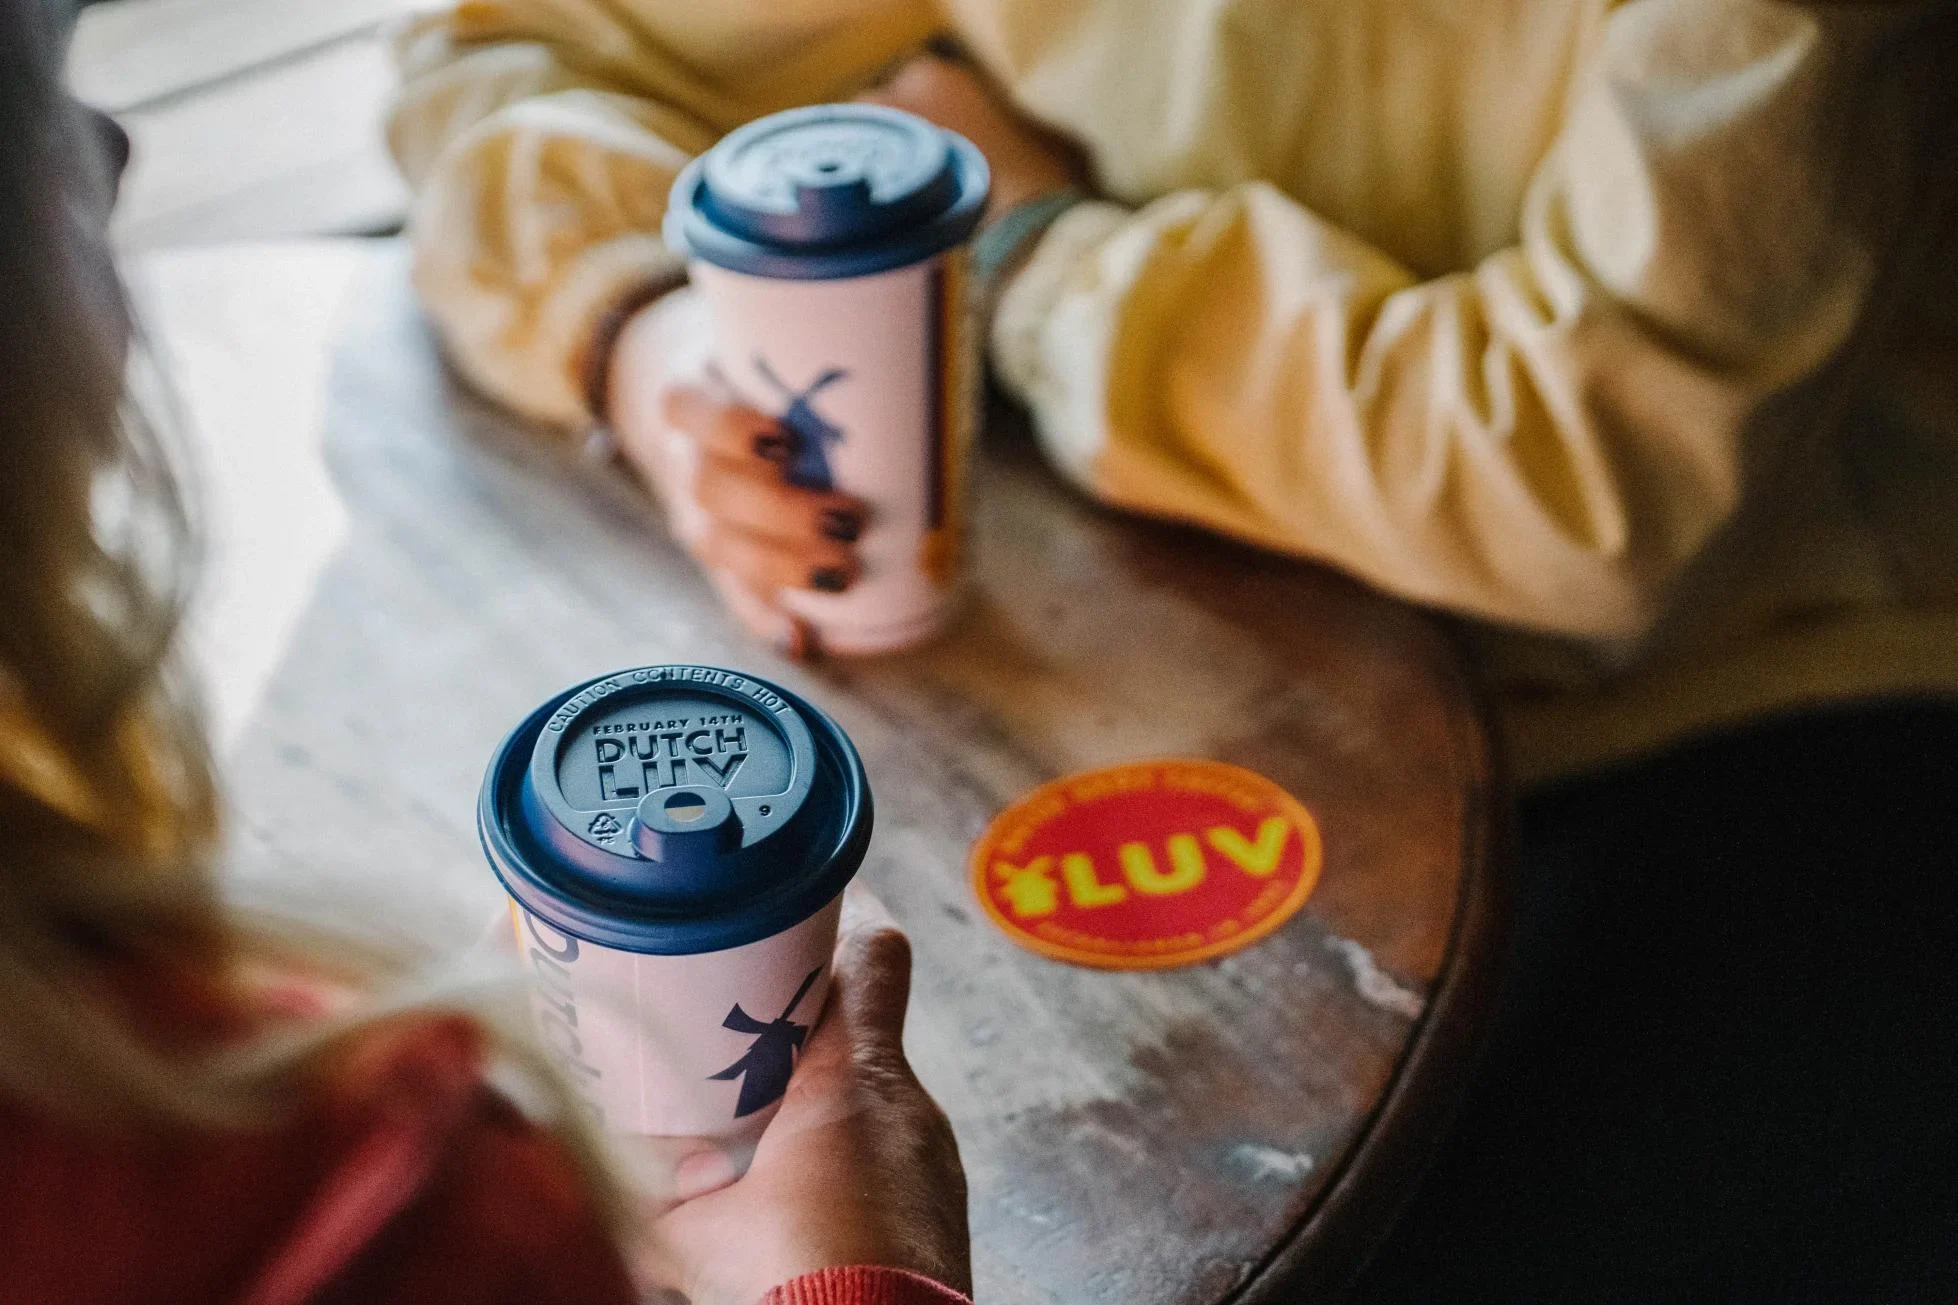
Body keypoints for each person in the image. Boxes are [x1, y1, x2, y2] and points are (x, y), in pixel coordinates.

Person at [389, 1, 1958, 1300]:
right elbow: (509, 54)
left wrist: (1038, 244)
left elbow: (1590, 491)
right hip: (1190, 604)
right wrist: (650, 326)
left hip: (1733, 703)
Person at [0, 5, 971, 1304]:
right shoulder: (361, 1195)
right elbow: (491, 63)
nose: (116, 147)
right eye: (42, 102)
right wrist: (864, 1281)